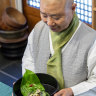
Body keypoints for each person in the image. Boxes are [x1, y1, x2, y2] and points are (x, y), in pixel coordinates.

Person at [22, 0, 96, 96]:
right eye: (44, 15)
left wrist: (73, 91)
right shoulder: (38, 28)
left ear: (73, 9)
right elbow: (29, 60)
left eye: (56, 17)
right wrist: (28, 84)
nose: (49, 23)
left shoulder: (91, 40)